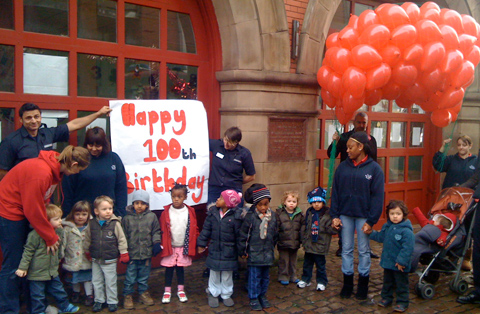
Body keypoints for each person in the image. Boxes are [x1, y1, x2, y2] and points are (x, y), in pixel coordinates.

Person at [0, 145, 90, 314]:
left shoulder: (54, 170)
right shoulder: (42, 173)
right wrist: (50, 237)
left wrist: (49, 228)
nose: (78, 173)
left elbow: (41, 203)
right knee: (13, 265)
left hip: (21, 211)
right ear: (74, 164)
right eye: (80, 169)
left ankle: (33, 307)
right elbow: (32, 209)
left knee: (29, 262)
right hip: (8, 213)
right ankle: (8, 310)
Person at [331, 131, 385, 300]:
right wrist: (335, 215)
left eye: (350, 147)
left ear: (360, 147)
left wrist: (371, 220)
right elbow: (336, 192)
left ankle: (363, 285)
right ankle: (347, 284)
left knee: (363, 250)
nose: (347, 151)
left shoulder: (375, 169)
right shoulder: (342, 168)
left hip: (364, 216)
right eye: (346, 147)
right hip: (345, 214)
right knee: (346, 249)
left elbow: (377, 197)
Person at [0, 102, 111, 181]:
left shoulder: (48, 133)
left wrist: (98, 114)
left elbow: (75, 125)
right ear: (21, 120)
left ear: (40, 117)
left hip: (47, 189)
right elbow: (2, 172)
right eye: (28, 118)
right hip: (23, 193)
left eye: (36, 116)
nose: (33, 121)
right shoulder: (11, 141)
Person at [327, 111, 378, 258]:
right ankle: (342, 246)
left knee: (365, 215)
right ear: (353, 122)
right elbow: (330, 154)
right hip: (347, 180)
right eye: (359, 122)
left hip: (364, 182)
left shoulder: (371, 139)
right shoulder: (345, 137)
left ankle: (366, 248)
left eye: (364, 122)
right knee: (346, 214)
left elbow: (374, 159)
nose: (361, 125)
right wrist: (335, 142)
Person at [15, 204, 80, 314]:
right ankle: (39, 311)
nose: (60, 221)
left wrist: (59, 257)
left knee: (59, 289)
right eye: (56, 219)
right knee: (37, 295)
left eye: (60, 218)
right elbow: (28, 252)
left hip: (52, 271)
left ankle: (64, 306)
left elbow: (59, 247)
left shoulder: (58, 232)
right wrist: (22, 268)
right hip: (37, 273)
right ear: (45, 220)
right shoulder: (34, 235)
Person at [62, 127, 128, 217]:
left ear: (104, 144)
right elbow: (68, 189)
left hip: (108, 215)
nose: (93, 149)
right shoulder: (80, 159)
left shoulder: (114, 159)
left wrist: (120, 214)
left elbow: (121, 188)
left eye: (98, 146)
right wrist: (67, 214)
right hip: (82, 216)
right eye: (90, 145)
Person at [366, 200, 414, 313]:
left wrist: (402, 261)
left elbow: (408, 248)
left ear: (403, 214)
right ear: (388, 214)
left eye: (398, 214)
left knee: (401, 284)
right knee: (387, 282)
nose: (395, 216)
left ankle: (402, 302)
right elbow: (381, 237)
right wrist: (370, 233)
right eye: (392, 214)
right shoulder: (387, 226)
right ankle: (386, 298)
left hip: (400, 265)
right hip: (388, 262)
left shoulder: (406, 231)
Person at [83, 195, 129, 312]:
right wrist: (87, 251)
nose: (108, 211)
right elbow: (88, 238)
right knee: (97, 281)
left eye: (110, 208)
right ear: (96, 211)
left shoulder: (115, 223)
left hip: (110, 259)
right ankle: (99, 300)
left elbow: (121, 239)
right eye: (104, 209)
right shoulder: (92, 224)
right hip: (96, 259)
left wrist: (124, 252)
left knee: (110, 281)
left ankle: (112, 301)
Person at [197, 190, 242, 308]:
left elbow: (240, 236)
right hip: (215, 248)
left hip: (229, 250)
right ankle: (213, 292)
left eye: (221, 198)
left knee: (227, 273)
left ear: (227, 203)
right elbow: (206, 230)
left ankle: (226, 294)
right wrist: (201, 244)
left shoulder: (236, 217)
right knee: (214, 272)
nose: (217, 199)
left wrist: (242, 250)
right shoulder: (212, 214)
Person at [238, 185, 278, 311]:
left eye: (265, 204)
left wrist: (272, 247)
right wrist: (243, 251)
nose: (263, 208)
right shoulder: (251, 217)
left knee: (265, 277)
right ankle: (254, 297)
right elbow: (244, 235)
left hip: (267, 252)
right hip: (254, 253)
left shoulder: (273, 217)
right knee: (254, 277)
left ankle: (262, 295)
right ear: (255, 204)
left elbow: (275, 234)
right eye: (260, 205)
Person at [121, 189, 162, 310]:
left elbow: (156, 231)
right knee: (130, 277)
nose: (139, 206)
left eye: (142, 203)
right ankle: (128, 295)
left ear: (147, 205)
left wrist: (156, 243)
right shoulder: (127, 218)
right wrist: (124, 250)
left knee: (144, 276)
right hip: (132, 254)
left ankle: (143, 293)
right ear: (133, 204)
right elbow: (123, 235)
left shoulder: (151, 217)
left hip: (146, 253)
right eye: (137, 203)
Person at [159, 183, 199, 304]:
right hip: (170, 247)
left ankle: (181, 289)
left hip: (182, 247)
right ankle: (167, 291)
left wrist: (196, 242)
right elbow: (161, 229)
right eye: (174, 196)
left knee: (180, 269)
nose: (176, 199)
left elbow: (194, 228)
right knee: (169, 269)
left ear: (185, 197)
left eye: (179, 196)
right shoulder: (166, 212)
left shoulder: (190, 211)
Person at [297, 187, 337, 291]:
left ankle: (321, 281)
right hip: (309, 244)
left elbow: (330, 230)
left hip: (320, 244)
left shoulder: (328, 214)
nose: (316, 204)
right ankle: (306, 279)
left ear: (323, 202)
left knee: (320, 266)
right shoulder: (309, 212)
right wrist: (303, 238)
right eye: (314, 202)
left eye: (319, 202)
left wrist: (334, 227)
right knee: (307, 264)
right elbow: (305, 226)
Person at [208, 126, 256, 204]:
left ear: (237, 142)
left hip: (233, 190)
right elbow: (200, 142)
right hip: (215, 189)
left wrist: (237, 182)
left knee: (233, 214)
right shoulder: (216, 145)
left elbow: (251, 176)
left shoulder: (244, 153)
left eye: (230, 142)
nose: (226, 144)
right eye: (225, 140)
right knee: (212, 213)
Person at [62, 201, 94, 306]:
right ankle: (76, 293)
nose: (80, 217)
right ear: (73, 214)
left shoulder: (90, 227)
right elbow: (63, 243)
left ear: (88, 215)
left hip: (86, 258)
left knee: (87, 278)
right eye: (77, 214)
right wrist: (60, 254)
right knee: (74, 279)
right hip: (73, 258)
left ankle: (89, 295)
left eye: (84, 214)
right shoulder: (68, 228)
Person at [409, 207, 457, 272]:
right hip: (418, 239)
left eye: (436, 220)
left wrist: (441, 241)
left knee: (415, 251)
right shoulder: (430, 224)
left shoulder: (443, 233)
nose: (433, 220)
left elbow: (443, 238)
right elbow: (422, 219)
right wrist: (416, 211)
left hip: (428, 245)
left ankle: (409, 266)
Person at [276, 191, 304, 285]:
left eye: (294, 201)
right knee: (284, 261)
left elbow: (302, 227)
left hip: (294, 242)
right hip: (283, 242)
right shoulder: (279, 213)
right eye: (289, 201)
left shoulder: (299, 214)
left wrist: (301, 239)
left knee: (293, 261)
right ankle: (283, 276)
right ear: (284, 202)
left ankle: (293, 275)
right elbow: (277, 228)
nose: (291, 203)